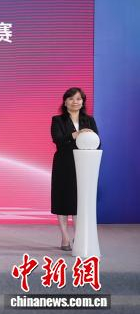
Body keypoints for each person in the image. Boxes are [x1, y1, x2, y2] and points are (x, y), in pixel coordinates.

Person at [51, 87, 98, 251]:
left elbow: (98, 141)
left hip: (84, 166)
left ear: (83, 102)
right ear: (65, 102)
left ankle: (79, 236)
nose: (75, 102)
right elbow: (57, 139)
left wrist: (89, 136)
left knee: (79, 201)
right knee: (63, 200)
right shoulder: (57, 120)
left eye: (78, 99)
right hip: (64, 164)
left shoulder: (89, 120)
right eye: (71, 99)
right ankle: (65, 237)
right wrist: (75, 135)